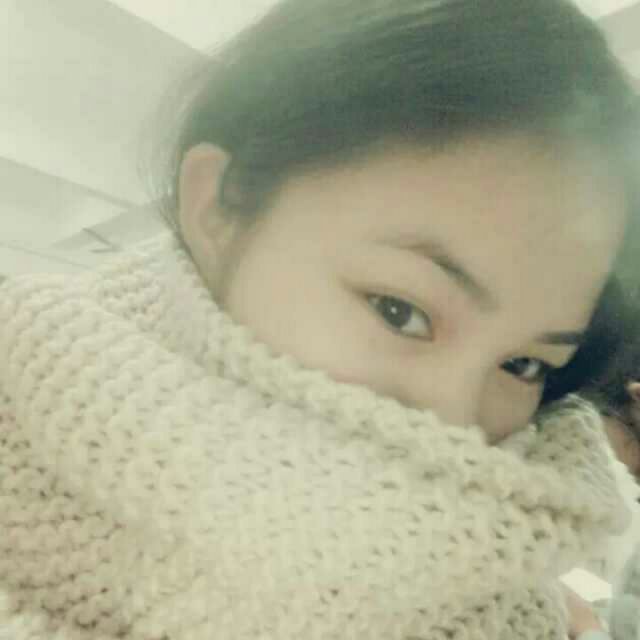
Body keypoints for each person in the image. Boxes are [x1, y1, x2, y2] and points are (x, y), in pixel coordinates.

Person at [1, 1, 639, 638]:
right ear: (223, 206)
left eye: (523, 365)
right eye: (399, 310)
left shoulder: (513, 610)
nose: (456, 424)